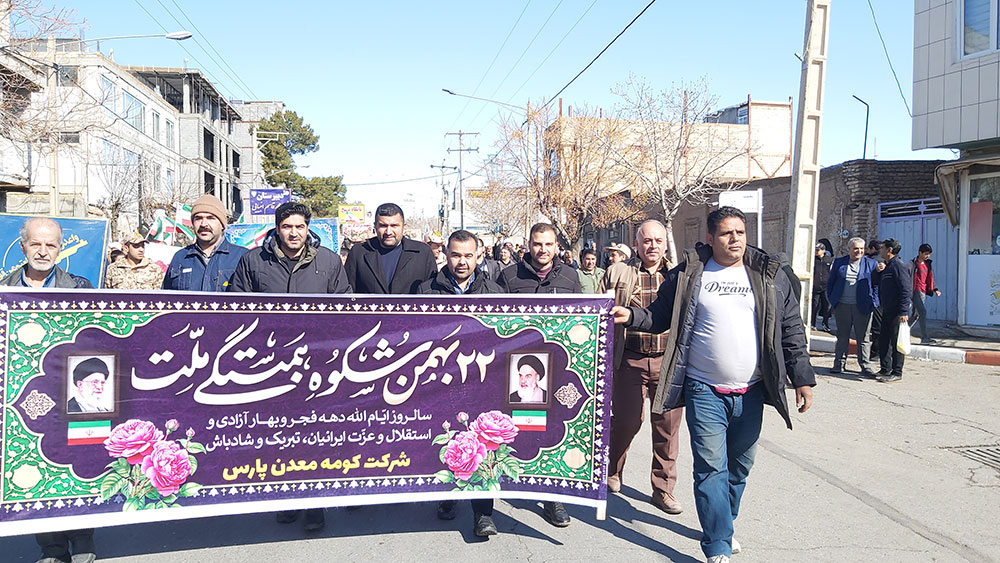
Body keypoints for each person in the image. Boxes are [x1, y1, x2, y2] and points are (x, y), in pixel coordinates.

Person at [612, 206, 815, 563]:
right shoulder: (690, 273)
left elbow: (790, 328)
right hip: (703, 389)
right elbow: (659, 315)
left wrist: (802, 378)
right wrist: (632, 316)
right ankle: (718, 543)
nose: (735, 239)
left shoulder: (768, 274)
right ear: (710, 238)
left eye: (740, 232)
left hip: (751, 390)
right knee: (710, 467)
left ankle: (725, 522)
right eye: (726, 233)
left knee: (739, 467)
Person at [228, 202, 351, 531]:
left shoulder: (328, 261)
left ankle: (314, 506)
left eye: (299, 226)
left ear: (308, 228)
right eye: (287, 227)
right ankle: (285, 500)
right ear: (277, 228)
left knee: (313, 437)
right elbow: (236, 309)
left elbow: (344, 308)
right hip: (269, 367)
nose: (293, 233)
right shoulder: (254, 261)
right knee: (277, 437)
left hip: (316, 367)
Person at [0, 218, 96, 563]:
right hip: (27, 397)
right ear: (23, 246)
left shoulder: (81, 288)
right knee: (37, 467)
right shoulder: (4, 290)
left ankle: (83, 540)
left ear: (60, 249)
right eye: (36, 244)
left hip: (75, 392)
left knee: (79, 464)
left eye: (51, 245)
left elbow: (94, 338)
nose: (43, 251)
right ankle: (52, 548)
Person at [419, 229, 504, 537]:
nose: (462, 261)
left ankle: (483, 514)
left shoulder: (495, 293)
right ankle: (447, 498)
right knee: (447, 442)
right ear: (446, 255)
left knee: (483, 447)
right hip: (441, 383)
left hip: (483, 381)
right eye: (456, 255)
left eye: (469, 255)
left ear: (478, 256)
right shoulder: (426, 292)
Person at [497, 222, 580, 528]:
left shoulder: (570, 277)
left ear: (556, 246)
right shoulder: (509, 277)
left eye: (548, 244)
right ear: (528, 246)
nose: (542, 250)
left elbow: (581, 319)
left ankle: (552, 498)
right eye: (537, 244)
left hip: (555, 370)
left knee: (551, 432)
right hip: (516, 369)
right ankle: (510, 479)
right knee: (516, 428)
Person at [599, 220, 684, 515]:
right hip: (629, 359)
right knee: (627, 421)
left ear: (665, 245)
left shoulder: (677, 276)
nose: (653, 246)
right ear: (636, 244)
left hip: (667, 361)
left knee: (667, 427)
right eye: (647, 241)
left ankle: (663, 489)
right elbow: (599, 311)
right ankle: (612, 469)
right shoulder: (617, 272)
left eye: (658, 241)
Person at [161, 194, 248, 291]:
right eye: (198, 218)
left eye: (210, 218)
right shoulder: (180, 258)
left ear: (222, 224)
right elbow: (166, 297)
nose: (203, 224)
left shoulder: (242, 257)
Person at [345, 203, 437, 294]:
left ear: (403, 226)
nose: (388, 232)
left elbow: (432, 293)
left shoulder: (422, 253)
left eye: (394, 226)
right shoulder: (359, 253)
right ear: (375, 226)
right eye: (383, 226)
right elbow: (348, 293)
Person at [825, 237, 880, 377]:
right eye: (856, 248)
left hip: (863, 306)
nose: (859, 251)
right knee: (842, 336)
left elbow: (876, 285)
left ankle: (865, 365)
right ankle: (839, 364)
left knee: (863, 338)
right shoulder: (839, 263)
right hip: (842, 305)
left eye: (861, 249)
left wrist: (874, 302)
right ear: (849, 249)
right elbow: (831, 282)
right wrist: (832, 299)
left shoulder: (871, 264)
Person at [876, 238, 912, 383]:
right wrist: (878, 271)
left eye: (883, 248)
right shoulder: (888, 266)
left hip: (897, 312)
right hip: (886, 309)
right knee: (884, 340)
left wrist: (903, 311)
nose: (881, 250)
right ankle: (885, 368)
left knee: (897, 342)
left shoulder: (899, 266)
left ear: (889, 250)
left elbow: (905, 290)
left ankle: (897, 372)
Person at [911, 243, 942, 344]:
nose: (927, 256)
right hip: (915, 291)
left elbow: (930, 278)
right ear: (920, 253)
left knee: (915, 315)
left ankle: (901, 331)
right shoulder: (913, 264)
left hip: (923, 291)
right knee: (922, 312)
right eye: (925, 254)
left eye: (929, 254)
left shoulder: (927, 264)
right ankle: (924, 337)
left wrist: (935, 289)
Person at [865, 239, 885, 362]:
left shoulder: (872, 261)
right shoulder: (885, 262)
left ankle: (876, 352)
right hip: (883, 298)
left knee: (875, 327)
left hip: (874, 298)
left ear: (872, 249)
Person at [811, 243, 833, 331]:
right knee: (814, 305)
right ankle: (812, 323)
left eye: (818, 250)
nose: (816, 252)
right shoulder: (813, 260)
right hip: (815, 286)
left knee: (827, 305)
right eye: (815, 250)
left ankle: (825, 323)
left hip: (826, 286)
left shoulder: (829, 260)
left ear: (823, 251)